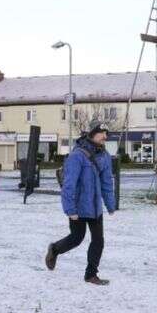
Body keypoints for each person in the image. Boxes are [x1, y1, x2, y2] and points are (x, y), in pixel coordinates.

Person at [45, 122, 116, 285]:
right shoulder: (77, 156)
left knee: (99, 240)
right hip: (78, 207)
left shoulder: (104, 155)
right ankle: (55, 249)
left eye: (106, 133)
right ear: (91, 134)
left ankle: (91, 274)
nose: (105, 136)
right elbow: (69, 185)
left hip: (95, 207)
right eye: (101, 133)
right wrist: (70, 210)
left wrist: (110, 205)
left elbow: (106, 182)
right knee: (77, 238)